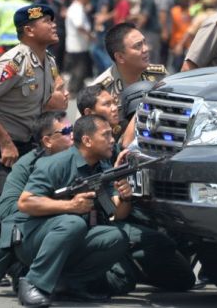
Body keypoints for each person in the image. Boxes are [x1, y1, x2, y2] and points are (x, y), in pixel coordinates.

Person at [77, 84, 196, 293]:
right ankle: (68, 280)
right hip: (94, 229)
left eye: (115, 103)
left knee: (183, 278)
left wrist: (124, 196)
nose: (115, 108)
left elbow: (125, 143)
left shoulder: (111, 142)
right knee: (123, 280)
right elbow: (114, 212)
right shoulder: (84, 152)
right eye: (107, 104)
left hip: (119, 218)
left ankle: (133, 262)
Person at [11, 115, 131, 306]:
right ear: (87, 140)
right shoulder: (56, 164)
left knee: (116, 237)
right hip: (32, 239)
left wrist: (125, 197)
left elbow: (117, 213)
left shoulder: (101, 166)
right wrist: (70, 206)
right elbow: (25, 203)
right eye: (106, 135)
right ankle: (33, 282)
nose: (112, 140)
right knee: (73, 222)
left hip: (69, 238)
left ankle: (68, 285)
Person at [0, 111, 73, 297]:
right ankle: (5, 271)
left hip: (60, 226)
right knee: (6, 220)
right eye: (66, 131)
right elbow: (6, 206)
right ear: (47, 141)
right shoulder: (29, 163)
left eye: (72, 129)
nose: (72, 135)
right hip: (29, 224)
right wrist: (45, 207)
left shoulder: (80, 157)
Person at [0, 4, 59, 206]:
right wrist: (5, 142)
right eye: (47, 22)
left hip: (25, 146)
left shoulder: (49, 62)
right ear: (29, 30)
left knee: (43, 200)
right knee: (13, 207)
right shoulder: (15, 62)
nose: (53, 26)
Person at [92, 22, 166, 105]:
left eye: (144, 42)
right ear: (120, 57)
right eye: (138, 46)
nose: (146, 49)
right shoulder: (100, 91)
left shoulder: (159, 75)